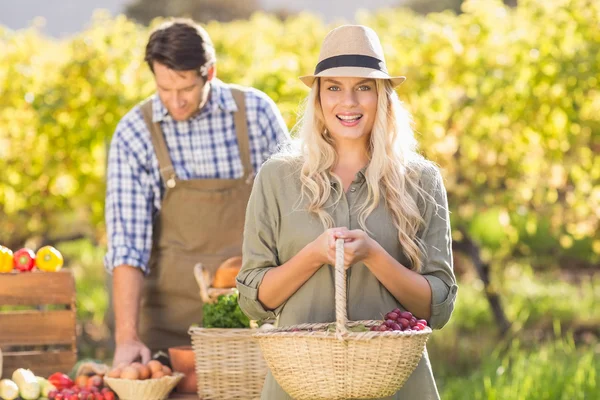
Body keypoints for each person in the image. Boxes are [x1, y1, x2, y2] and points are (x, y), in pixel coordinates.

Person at [236, 25, 458, 399]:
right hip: (299, 385)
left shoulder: (420, 179)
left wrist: (373, 255)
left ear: (383, 96)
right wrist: (313, 255)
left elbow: (438, 307)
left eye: (364, 87)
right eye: (334, 87)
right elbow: (254, 301)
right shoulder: (278, 177)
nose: (349, 102)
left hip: (397, 386)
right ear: (318, 98)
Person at [104, 18, 290, 366]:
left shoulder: (257, 113)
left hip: (260, 323)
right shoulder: (135, 132)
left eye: (186, 88)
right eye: (164, 89)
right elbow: (127, 246)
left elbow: (293, 215)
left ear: (210, 72)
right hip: (171, 331)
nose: (175, 102)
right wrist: (127, 338)